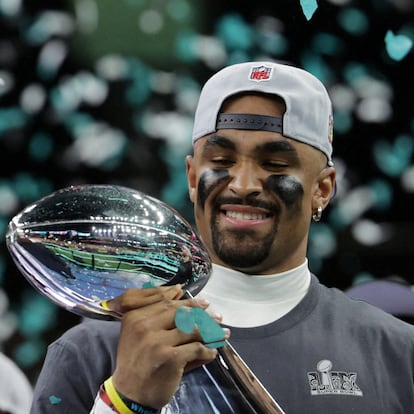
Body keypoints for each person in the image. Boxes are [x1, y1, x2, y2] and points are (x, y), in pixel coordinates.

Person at [30, 61, 414, 413]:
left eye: (275, 164)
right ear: (193, 177)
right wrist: (124, 401)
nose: (243, 184)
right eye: (222, 161)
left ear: (323, 189)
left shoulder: (396, 352)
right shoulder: (91, 351)